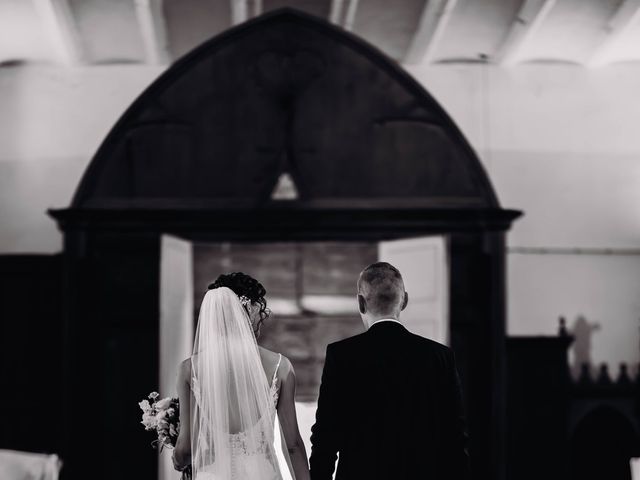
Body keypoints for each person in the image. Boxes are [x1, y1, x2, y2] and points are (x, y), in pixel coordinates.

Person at [309, 262, 470, 480]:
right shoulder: (440, 356)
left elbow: (326, 435)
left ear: (360, 303)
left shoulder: (342, 355)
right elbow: (455, 437)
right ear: (404, 301)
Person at [172, 272, 310, 480]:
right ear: (251, 308)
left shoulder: (189, 369)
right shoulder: (280, 366)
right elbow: (292, 446)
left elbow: (186, 449)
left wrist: (176, 457)